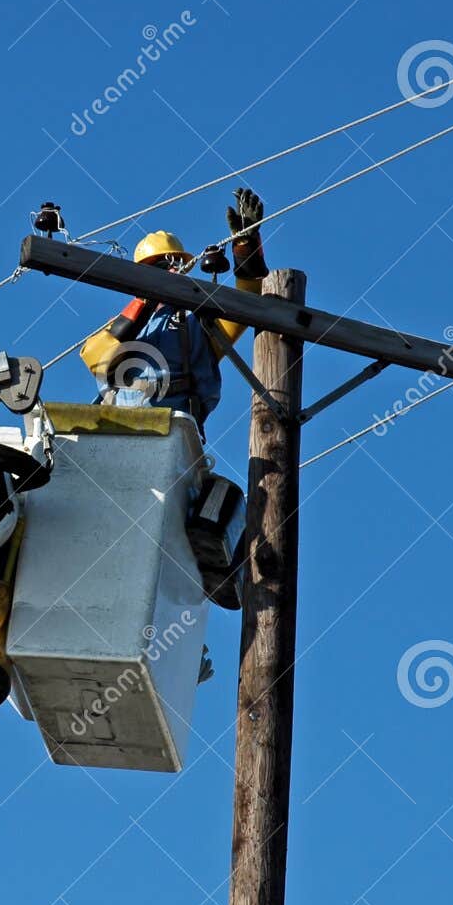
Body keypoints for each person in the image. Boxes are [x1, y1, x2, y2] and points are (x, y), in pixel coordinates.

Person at [77, 187, 270, 610]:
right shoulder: (122, 327)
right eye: (155, 269)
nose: (167, 274)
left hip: (176, 442)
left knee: (222, 504)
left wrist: (246, 244)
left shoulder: (199, 328)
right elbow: (98, 358)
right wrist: (143, 300)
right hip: (117, 438)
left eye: (172, 267)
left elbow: (248, 299)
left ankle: (213, 565)